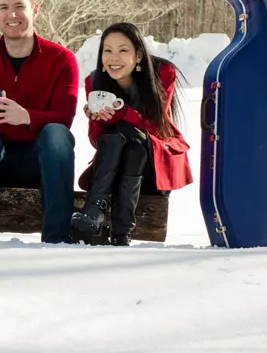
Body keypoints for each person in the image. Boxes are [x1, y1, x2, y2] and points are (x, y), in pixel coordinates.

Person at [0, 0, 79, 244]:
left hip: (42, 160)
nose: (11, 15)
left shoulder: (61, 59)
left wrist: (25, 117)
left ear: (34, 9)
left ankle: (57, 237)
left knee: (57, 134)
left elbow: (64, 117)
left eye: (19, 6)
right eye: (3, 7)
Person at [73, 22, 192, 246]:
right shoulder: (94, 81)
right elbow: (97, 141)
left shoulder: (162, 73)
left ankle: (94, 208)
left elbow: (157, 128)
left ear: (138, 55)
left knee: (133, 137)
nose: (113, 58)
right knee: (124, 142)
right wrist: (97, 120)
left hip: (153, 166)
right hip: (115, 165)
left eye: (122, 50)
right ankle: (121, 233)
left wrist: (123, 114)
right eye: (107, 50)